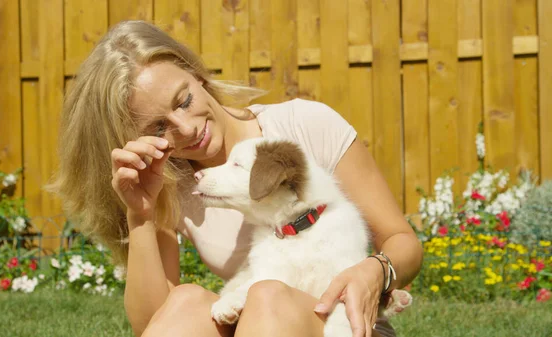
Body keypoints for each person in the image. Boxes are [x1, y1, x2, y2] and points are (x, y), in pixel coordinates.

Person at [49, 20, 423, 337]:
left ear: (196, 74)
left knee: (267, 297)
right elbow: (152, 321)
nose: (187, 128)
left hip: (345, 323)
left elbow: (402, 240)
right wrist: (141, 215)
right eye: (159, 126)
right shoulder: (168, 180)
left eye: (183, 101)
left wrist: (377, 271)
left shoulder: (303, 125)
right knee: (186, 301)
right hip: (257, 324)